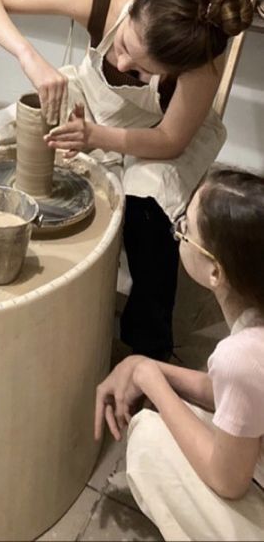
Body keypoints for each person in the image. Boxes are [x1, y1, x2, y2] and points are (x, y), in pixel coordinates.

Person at [0, 0, 253, 358]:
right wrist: (29, 57)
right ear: (131, 12)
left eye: (141, 70)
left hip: (160, 130)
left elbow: (170, 140)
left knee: (148, 203)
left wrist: (94, 137)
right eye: (125, 43)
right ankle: (5, 270)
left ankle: (147, 346)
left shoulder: (199, 55)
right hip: (91, 98)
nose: (121, 59)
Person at [95, 167, 264, 542]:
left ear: (216, 272)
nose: (179, 235)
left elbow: (227, 480)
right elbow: (237, 393)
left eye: (184, 229)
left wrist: (154, 385)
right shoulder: (255, 324)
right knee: (198, 412)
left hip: (238, 481)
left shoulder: (242, 355)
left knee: (148, 438)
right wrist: (144, 365)